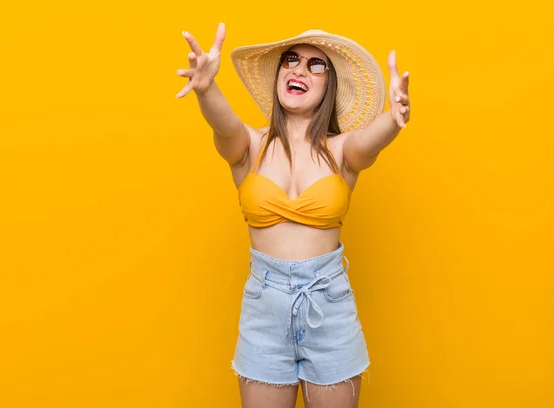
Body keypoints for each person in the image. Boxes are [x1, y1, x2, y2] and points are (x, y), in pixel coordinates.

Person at [176, 23, 410, 408]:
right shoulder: (249, 145)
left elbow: (372, 142)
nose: (299, 70)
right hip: (264, 306)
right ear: (280, 74)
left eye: (316, 66)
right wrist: (206, 89)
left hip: (329, 305)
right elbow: (223, 125)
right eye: (292, 60)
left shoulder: (342, 151)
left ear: (328, 87)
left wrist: (395, 116)